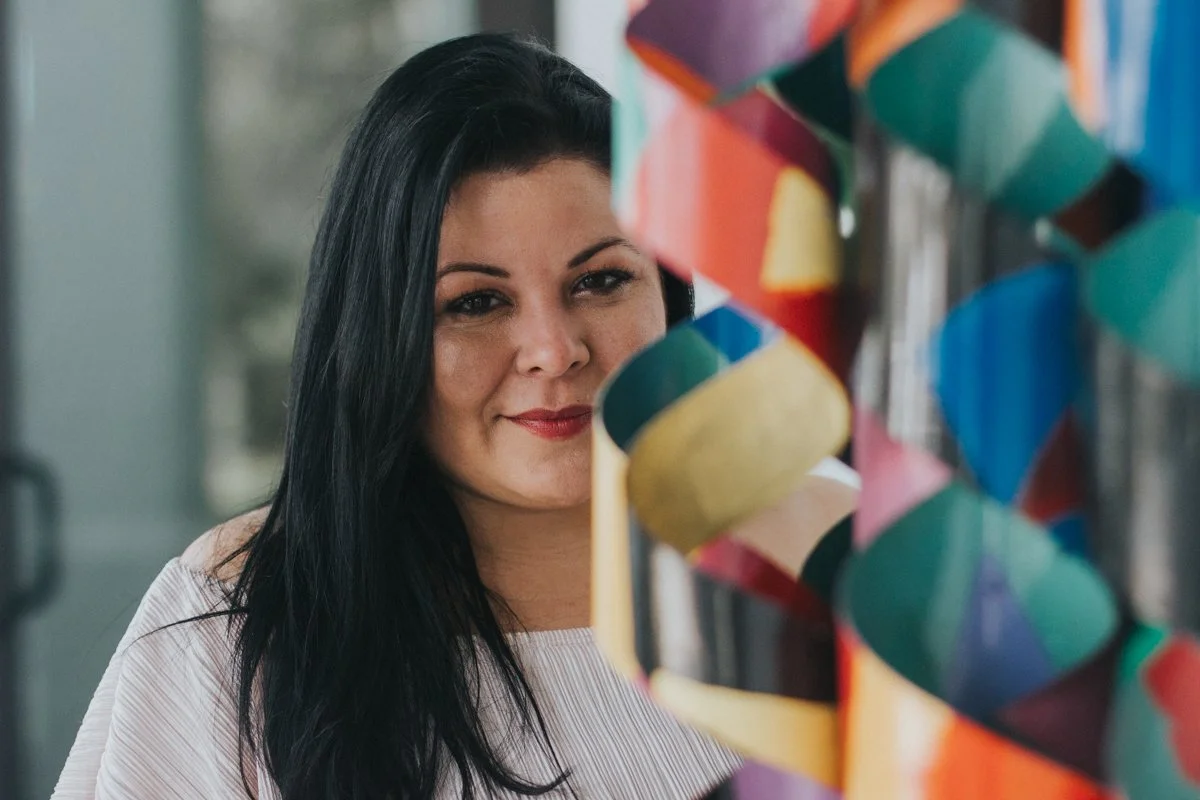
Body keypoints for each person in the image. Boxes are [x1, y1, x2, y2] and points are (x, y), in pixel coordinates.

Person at [52, 33, 855, 799]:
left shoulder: (843, 556)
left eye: (602, 281)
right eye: (475, 301)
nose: (553, 350)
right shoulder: (243, 620)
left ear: (670, 296)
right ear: (379, 335)